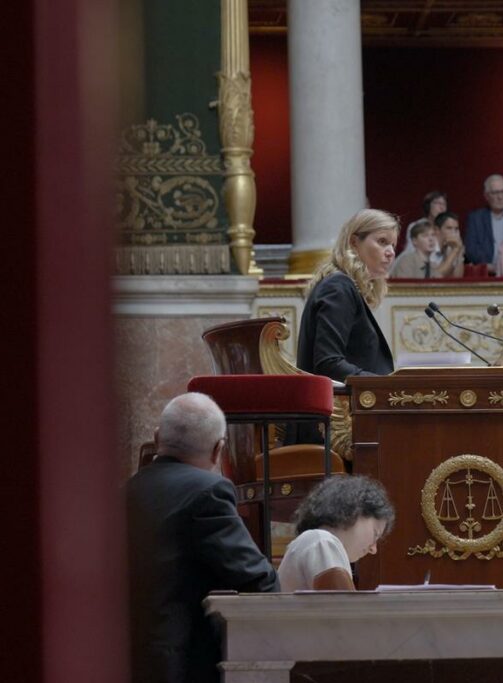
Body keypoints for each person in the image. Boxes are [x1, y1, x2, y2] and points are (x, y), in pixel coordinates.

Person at [127, 392, 278, 683]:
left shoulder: (126, 491)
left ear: (158, 438)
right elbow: (257, 581)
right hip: (180, 665)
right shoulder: (208, 492)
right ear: (218, 449)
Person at [296, 208, 398, 382]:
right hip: (338, 407)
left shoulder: (342, 286)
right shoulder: (338, 287)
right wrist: (384, 386)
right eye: (382, 241)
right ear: (353, 243)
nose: (391, 252)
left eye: (393, 245)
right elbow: (328, 363)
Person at [278, 475, 395, 591]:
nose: (373, 549)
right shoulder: (322, 541)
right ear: (355, 511)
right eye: (375, 534)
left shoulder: (313, 541)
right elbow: (343, 608)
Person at [465, 173, 503, 271]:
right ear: (486, 196)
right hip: (486, 273)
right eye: (495, 193)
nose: (500, 197)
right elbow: (471, 249)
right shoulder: (476, 218)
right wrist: (489, 266)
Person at [401, 190, 448, 256]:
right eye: (438, 203)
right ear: (428, 206)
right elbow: (409, 253)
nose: (442, 207)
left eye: (444, 204)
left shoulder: (448, 228)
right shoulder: (415, 226)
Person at [433, 210, 465, 278]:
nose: (454, 233)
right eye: (449, 228)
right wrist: (455, 250)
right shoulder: (428, 246)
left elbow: (457, 278)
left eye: (456, 229)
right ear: (437, 230)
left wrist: (459, 253)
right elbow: (435, 277)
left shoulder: (451, 247)